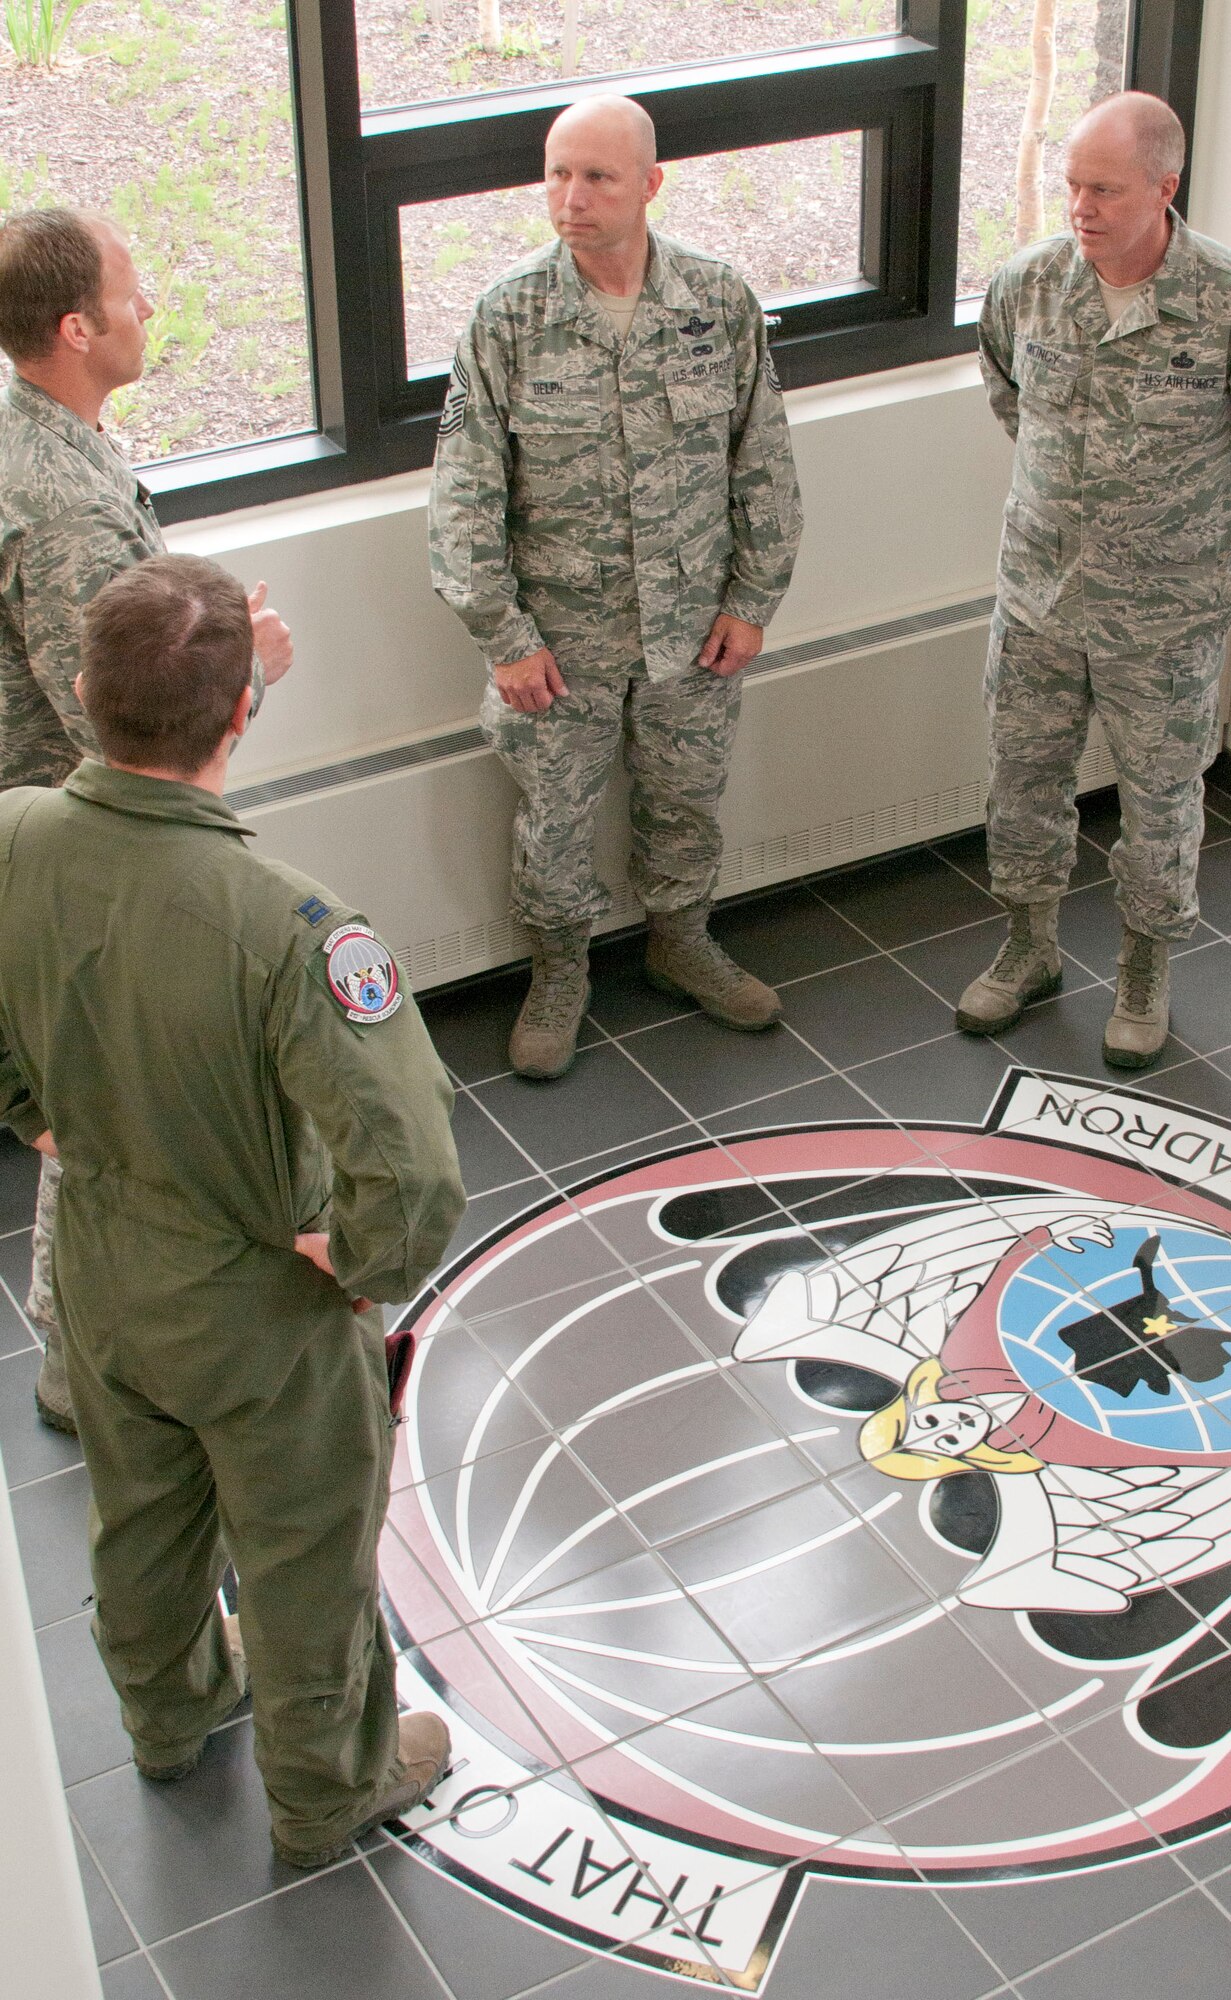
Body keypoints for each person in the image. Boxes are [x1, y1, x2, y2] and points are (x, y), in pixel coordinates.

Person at [0, 553, 465, 1867]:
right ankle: (332, 1787)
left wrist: (35, 1111)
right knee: (306, 1554)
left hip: (100, 1271)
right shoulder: (290, 927)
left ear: (86, 692)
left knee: (143, 1518)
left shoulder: (15, 835)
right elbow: (415, 1172)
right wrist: (359, 1257)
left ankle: (170, 1715)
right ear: (242, 714)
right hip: (259, 1310)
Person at [430, 94, 803, 1079]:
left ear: (650, 183)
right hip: (560, 642)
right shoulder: (509, 318)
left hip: (693, 631)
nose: (570, 196)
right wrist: (503, 636)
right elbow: (464, 497)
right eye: (556, 172)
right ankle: (561, 971)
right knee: (553, 823)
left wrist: (752, 602)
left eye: (596, 175)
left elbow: (762, 462)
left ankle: (681, 941)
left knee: (688, 799)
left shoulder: (717, 305)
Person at [0, 207, 294, 1431]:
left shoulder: (47, 434)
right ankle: (80, 1372)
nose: (149, 309)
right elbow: (121, 734)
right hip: (85, 857)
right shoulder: (60, 503)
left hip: (52, 841)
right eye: (132, 294)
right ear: (78, 327)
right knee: (98, 1110)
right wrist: (255, 664)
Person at [956, 91, 1231, 1067]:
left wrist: (1171, 519)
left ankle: (1144, 966)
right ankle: (1029, 945)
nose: (1081, 206)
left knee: (1161, 796)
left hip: (1166, 609)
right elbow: (1011, 398)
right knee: (1022, 779)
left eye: (1105, 189)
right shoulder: (1029, 287)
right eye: (1071, 184)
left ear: (1165, 187)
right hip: (1041, 592)